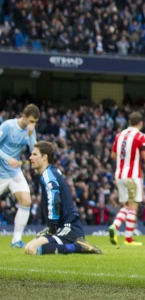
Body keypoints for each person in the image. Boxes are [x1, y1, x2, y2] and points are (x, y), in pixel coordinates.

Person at [23, 141, 101, 255]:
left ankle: (78, 246)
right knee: (28, 248)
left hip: (69, 227)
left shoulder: (48, 174)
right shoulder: (52, 172)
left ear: (44, 157)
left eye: (34, 154)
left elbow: (54, 199)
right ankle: (76, 245)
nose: (30, 157)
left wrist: (52, 226)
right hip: (62, 227)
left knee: (34, 249)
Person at [108, 112, 145, 246]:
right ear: (141, 123)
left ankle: (115, 226)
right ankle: (126, 237)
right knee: (133, 206)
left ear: (129, 122)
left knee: (127, 205)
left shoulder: (119, 135)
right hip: (132, 175)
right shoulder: (140, 136)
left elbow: (113, 156)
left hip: (119, 174)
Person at [0, 104, 39, 248]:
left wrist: (31, 134)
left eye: (35, 122)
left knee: (26, 201)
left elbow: (34, 151)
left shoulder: (30, 130)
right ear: (23, 116)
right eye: (31, 121)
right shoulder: (7, 126)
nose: (33, 124)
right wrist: (8, 158)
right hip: (1, 170)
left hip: (14, 172)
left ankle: (16, 240)